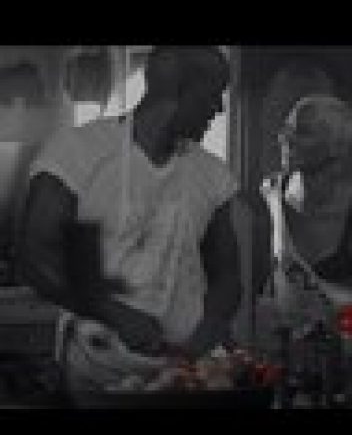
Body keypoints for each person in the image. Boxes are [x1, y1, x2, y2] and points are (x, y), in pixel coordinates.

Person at [18, 46, 242, 393]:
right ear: (181, 91)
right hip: (97, 368)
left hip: (184, 370)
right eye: (214, 95)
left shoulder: (213, 174)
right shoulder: (76, 153)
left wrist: (212, 324)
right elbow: (36, 258)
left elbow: (226, 272)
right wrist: (112, 312)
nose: (219, 109)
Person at [252, 94, 352, 337]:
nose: (285, 138)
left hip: (345, 349)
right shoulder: (269, 195)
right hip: (277, 350)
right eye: (286, 129)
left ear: (338, 146)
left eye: (303, 132)